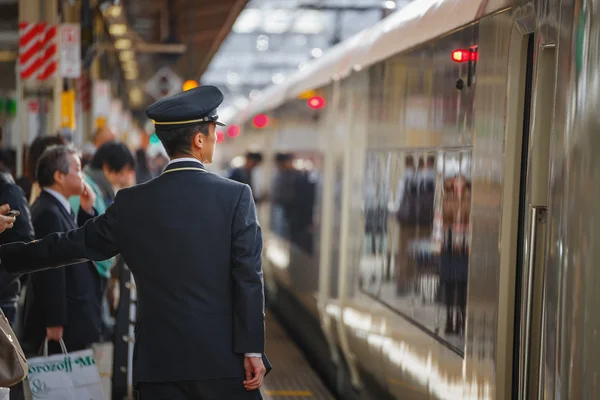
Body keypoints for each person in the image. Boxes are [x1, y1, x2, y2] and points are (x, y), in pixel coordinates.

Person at [0, 85, 268, 400]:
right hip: (223, 361)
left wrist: (7, 256)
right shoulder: (236, 197)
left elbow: (71, 245)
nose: (215, 138)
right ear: (199, 140)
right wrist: (252, 349)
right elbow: (248, 277)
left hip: (159, 364)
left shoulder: (132, 202)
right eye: (212, 132)